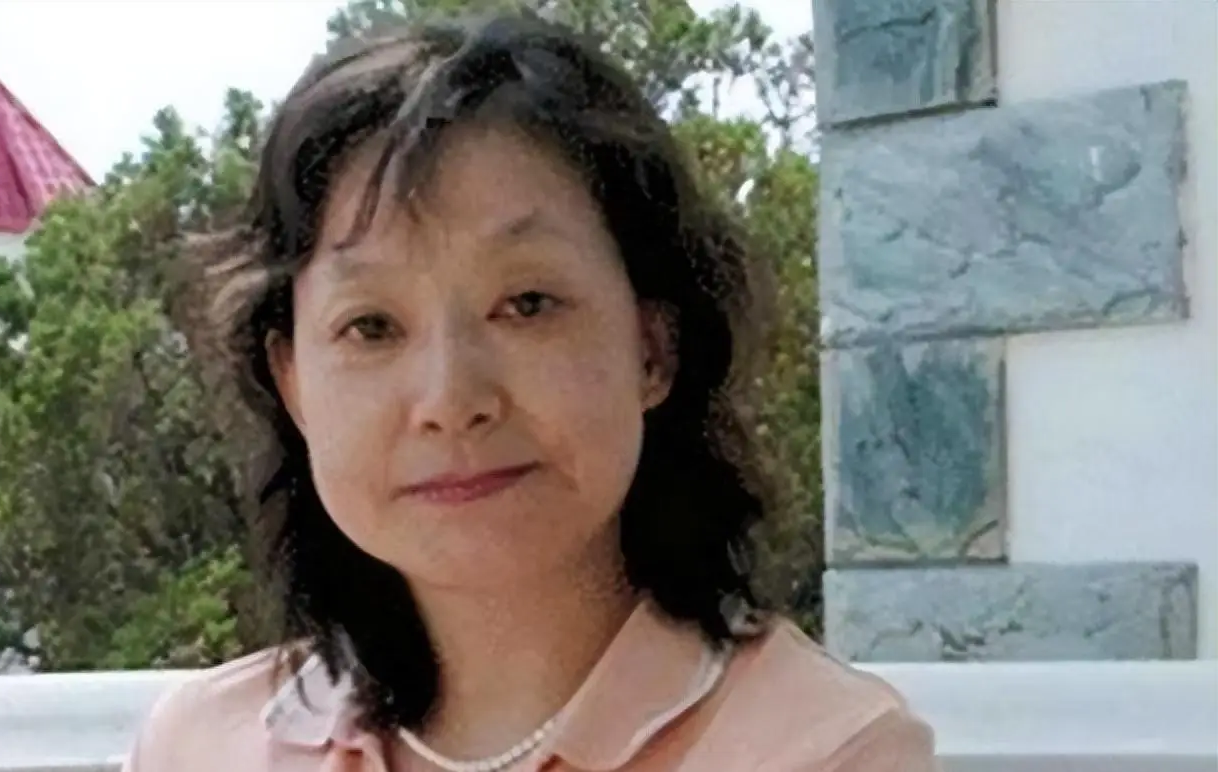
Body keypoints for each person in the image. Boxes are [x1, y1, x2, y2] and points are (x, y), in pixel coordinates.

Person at [122, 12, 938, 772]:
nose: (450, 399)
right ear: (292, 382)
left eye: (527, 304)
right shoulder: (201, 747)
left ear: (653, 348)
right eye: (371, 326)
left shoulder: (822, 751)